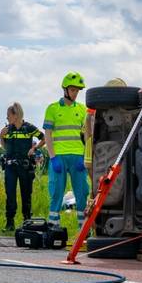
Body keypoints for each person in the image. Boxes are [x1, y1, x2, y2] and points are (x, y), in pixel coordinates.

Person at [42, 72, 90, 226]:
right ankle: (53, 227)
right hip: (59, 157)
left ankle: (83, 231)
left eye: (77, 90)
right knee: (56, 193)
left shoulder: (83, 110)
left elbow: (87, 134)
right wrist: (53, 157)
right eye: (73, 90)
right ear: (65, 90)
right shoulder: (53, 109)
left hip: (78, 157)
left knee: (82, 193)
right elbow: (47, 135)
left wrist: (84, 156)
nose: (75, 93)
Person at [0, 102, 43, 231]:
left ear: (15, 115)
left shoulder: (28, 128)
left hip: (25, 166)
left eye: (8, 115)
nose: (7, 118)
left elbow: (44, 138)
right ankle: (10, 223)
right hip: (10, 166)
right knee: (10, 194)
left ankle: (27, 221)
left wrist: (34, 148)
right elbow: (4, 146)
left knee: (26, 194)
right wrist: (1, 136)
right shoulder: (8, 129)